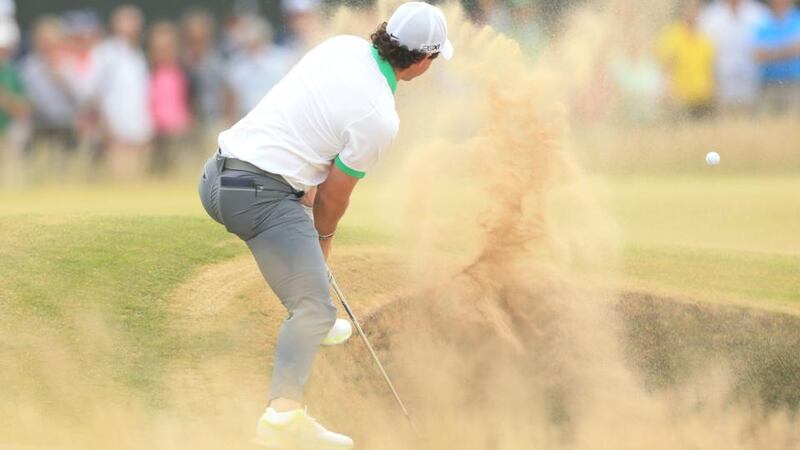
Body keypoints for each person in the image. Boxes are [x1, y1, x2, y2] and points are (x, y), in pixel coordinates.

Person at [198, 2, 453, 447]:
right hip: (257, 194)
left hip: (219, 175)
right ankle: (283, 418)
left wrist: (305, 184)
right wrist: (323, 241)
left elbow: (306, 120)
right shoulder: (380, 117)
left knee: (310, 281)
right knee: (313, 308)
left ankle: (314, 306)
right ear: (421, 60)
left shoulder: (342, 47)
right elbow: (333, 198)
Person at [90, 5, 152, 176]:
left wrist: (146, 129)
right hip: (116, 132)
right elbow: (97, 93)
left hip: (138, 132)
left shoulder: (138, 55)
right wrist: (106, 128)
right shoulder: (106, 53)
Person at [700, 0, 770, 115]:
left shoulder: (759, 13)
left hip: (753, 83)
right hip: (721, 84)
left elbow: (768, 43)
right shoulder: (710, 15)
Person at [20, 16, 78, 152]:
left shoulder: (69, 63)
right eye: (44, 41)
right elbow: (26, 96)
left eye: (51, 41)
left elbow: (80, 96)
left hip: (67, 126)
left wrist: (61, 78)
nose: (47, 45)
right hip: (39, 126)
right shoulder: (29, 66)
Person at [223, 17, 292, 123]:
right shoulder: (236, 65)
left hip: (278, 119)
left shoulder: (282, 59)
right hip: (247, 120)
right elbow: (232, 99)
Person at [657, 0, 716, 118]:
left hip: (703, 98)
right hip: (680, 100)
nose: (693, 14)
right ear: (682, 12)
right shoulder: (671, 37)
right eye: (689, 10)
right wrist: (666, 91)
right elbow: (664, 68)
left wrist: (714, 93)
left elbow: (710, 69)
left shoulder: (705, 39)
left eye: (696, 10)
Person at [148, 20, 191, 171]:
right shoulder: (148, 73)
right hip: (155, 134)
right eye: (158, 49)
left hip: (179, 131)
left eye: (167, 48)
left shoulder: (183, 72)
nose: (163, 52)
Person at [754, 0, 800, 116]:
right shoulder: (763, 20)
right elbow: (757, 54)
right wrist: (786, 51)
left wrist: (770, 53)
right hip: (769, 84)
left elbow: (796, 49)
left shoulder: (797, 19)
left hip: (793, 83)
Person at [181, 9, 225, 128]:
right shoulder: (180, 62)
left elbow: (224, 91)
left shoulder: (216, 60)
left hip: (214, 121)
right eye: (193, 39)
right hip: (187, 125)